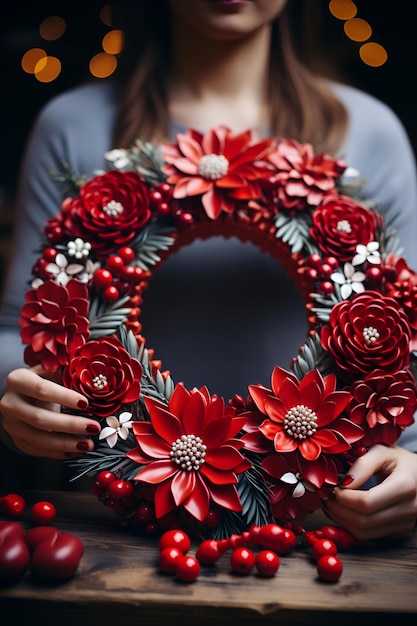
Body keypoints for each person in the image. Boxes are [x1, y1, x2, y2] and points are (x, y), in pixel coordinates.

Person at [0, 0, 416, 540]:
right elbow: (18, 331)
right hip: (119, 526)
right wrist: (20, 400)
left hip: (323, 527)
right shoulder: (75, 127)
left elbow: (406, 345)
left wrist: (412, 460)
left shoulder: (369, 132)